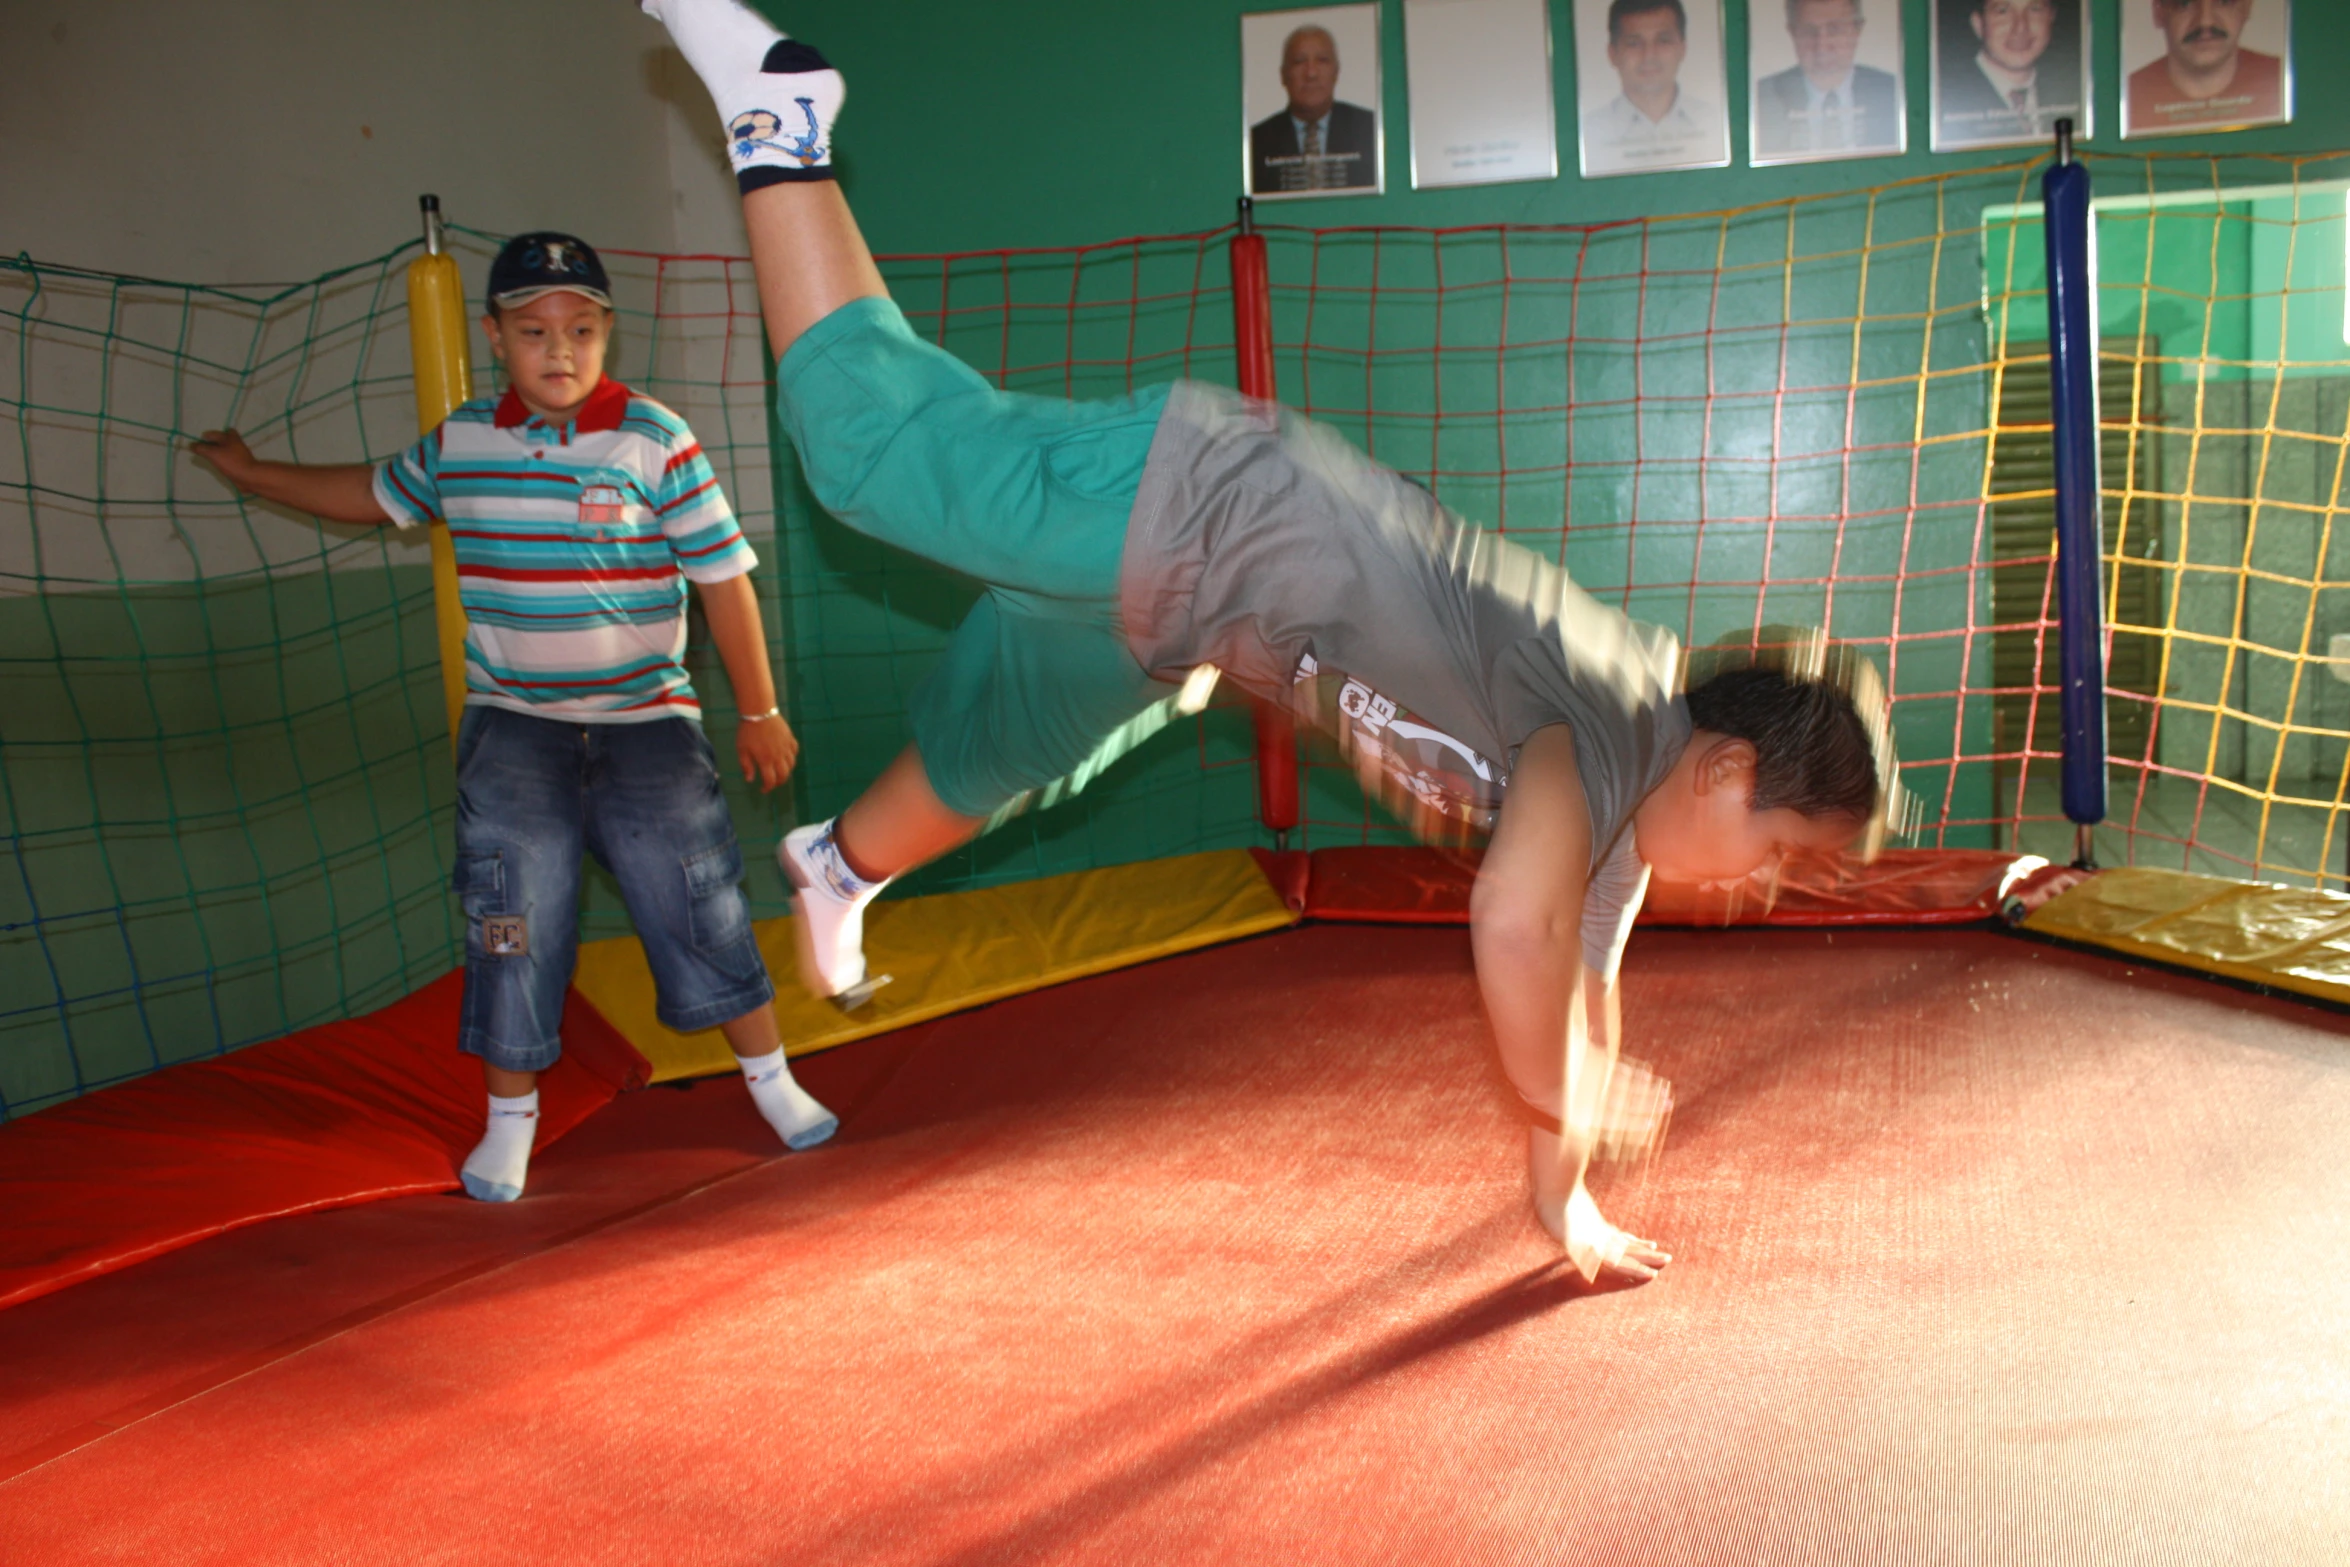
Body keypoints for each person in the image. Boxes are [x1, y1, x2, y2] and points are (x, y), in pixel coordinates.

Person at [642, 0, 1903, 1283]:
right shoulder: (1606, 722)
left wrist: (1563, 1200)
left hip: (1194, 613)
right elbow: (1515, 930)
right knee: (868, 461)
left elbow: (1583, 986)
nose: (1759, 887)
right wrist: (1574, 1093)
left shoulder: (1629, 821)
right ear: (1730, 774)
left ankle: (839, 867)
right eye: (1780, 858)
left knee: (994, 753)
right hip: (1211, 511)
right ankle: (776, 128)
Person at [190, 231, 837, 1202]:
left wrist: (760, 709)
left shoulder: (654, 438)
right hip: (515, 731)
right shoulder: (462, 444)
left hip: (646, 728)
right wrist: (253, 474)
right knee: (510, 918)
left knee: (698, 901)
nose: (560, 350)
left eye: (580, 329)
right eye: (534, 331)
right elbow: (366, 495)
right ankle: (510, 1122)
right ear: (495, 337)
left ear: (607, 332)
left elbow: (723, 582)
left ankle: (772, 1080)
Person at [1579, 0, 1728, 176]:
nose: (1649, 55)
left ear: (1682, 48)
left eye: (1663, 41)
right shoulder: (1589, 133)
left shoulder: (1713, 122)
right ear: (1613, 54)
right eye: (1634, 43)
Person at [1752, 0, 1903, 158]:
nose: (1822, 46)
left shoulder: (1892, 91)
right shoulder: (1761, 96)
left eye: (1835, 29)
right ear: (1792, 32)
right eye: (1808, 31)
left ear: (1857, 30)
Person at [1250, 25, 1379, 194]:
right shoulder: (1256, 141)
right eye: (1299, 62)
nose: (1311, 73)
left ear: (1336, 71)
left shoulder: (1370, 128)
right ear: (1283, 75)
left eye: (1322, 60)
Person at [2125, 0, 2285, 135]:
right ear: (2159, 13)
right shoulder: (2131, 97)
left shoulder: (2282, 80)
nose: (2205, 21)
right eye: (2184, 4)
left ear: (2246, 7)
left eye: (2224, 2)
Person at [1938, 0, 2078, 148]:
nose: (2021, 28)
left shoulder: (2070, 90)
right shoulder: (1948, 94)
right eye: (2002, 11)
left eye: (2035, 9)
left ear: (2051, 17)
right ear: (1978, 23)